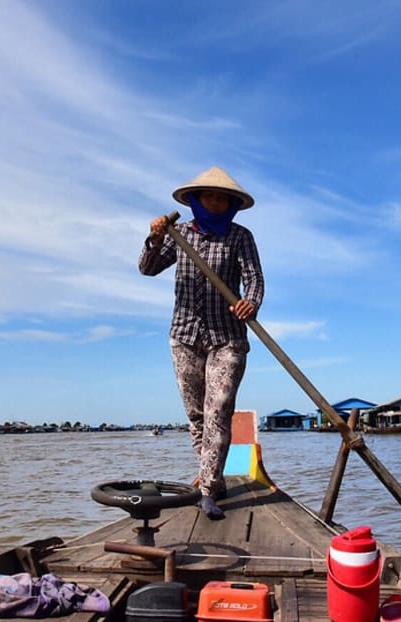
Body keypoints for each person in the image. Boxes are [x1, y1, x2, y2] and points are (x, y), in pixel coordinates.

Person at [139, 166, 264, 520]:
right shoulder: (179, 234)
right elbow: (148, 268)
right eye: (208, 195)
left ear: (231, 204)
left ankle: (207, 487)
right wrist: (155, 237)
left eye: (222, 197)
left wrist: (250, 302)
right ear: (195, 200)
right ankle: (214, 477)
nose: (215, 201)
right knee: (196, 416)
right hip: (185, 336)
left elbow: (254, 279)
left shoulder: (240, 237)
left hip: (227, 338)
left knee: (218, 411)